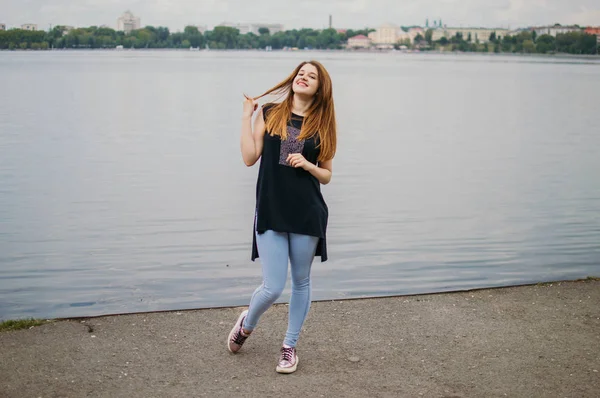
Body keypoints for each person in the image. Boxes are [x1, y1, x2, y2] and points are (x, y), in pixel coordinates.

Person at [227, 60, 337, 374]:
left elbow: (327, 175)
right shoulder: (272, 113)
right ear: (293, 78)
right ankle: (247, 324)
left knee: (301, 282)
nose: (304, 77)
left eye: (312, 76)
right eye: (301, 73)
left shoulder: (322, 124)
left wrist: (308, 164)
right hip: (272, 209)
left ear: (320, 88)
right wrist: (246, 117)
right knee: (273, 286)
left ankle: (289, 347)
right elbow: (250, 158)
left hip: (306, 212)